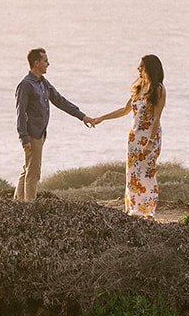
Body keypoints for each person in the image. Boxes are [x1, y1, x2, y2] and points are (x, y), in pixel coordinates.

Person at [90, 54, 166, 218]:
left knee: (146, 172)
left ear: (150, 69)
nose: (138, 69)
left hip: (150, 136)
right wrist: (102, 118)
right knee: (132, 173)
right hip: (134, 137)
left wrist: (150, 142)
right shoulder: (139, 87)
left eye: (141, 67)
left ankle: (147, 211)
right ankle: (134, 209)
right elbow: (125, 110)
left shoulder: (158, 89)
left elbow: (156, 118)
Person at [15, 47, 93, 202]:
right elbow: (20, 113)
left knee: (27, 169)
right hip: (32, 134)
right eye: (45, 61)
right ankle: (29, 207)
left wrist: (82, 116)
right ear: (36, 63)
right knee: (33, 173)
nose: (48, 64)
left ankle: (18, 203)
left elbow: (60, 101)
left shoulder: (43, 83)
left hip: (41, 133)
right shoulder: (26, 84)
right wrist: (24, 138)